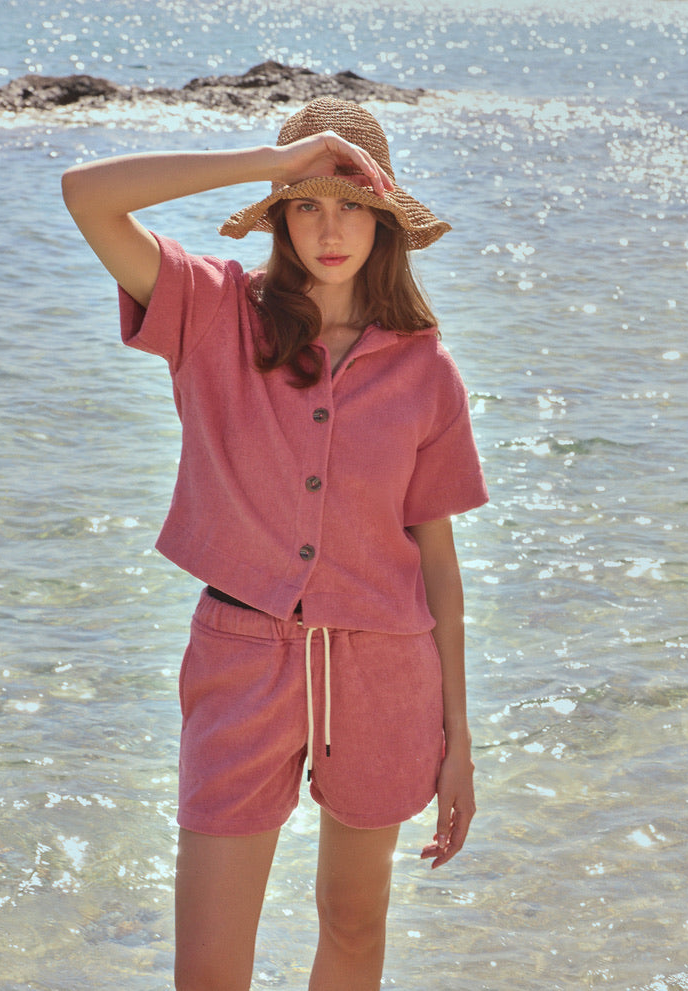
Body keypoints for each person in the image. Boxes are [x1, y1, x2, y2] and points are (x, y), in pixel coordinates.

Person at [61, 96, 488, 991]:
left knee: (353, 922)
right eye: (306, 203)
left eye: (349, 205)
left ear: (383, 222)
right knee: (207, 971)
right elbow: (86, 194)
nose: (329, 228)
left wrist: (458, 738)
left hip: (384, 665)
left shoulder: (425, 368)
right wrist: (270, 160)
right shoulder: (211, 311)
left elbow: (436, 564)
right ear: (280, 216)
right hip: (239, 659)